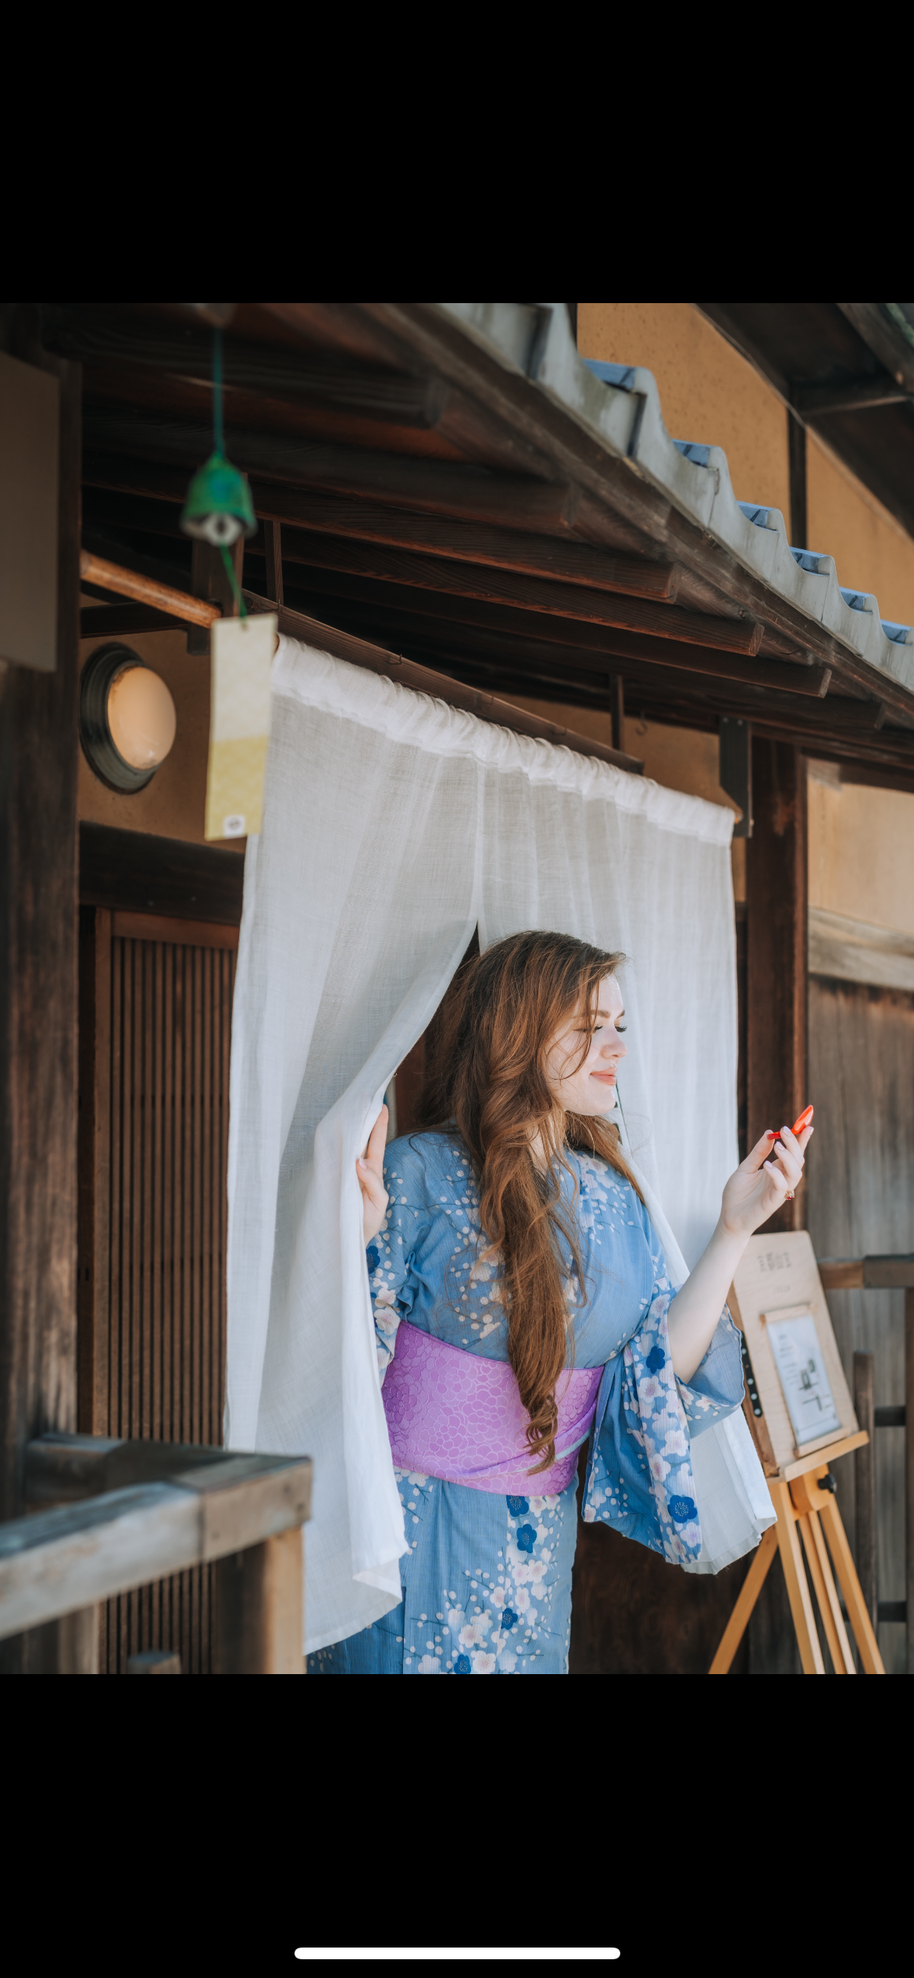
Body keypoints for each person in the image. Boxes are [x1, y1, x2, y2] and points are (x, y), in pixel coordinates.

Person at [309, 931, 811, 1675]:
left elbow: (649, 1375)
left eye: (619, 1028)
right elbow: (336, 1367)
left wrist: (735, 1228)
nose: (615, 1047)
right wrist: (356, 1242)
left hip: (536, 1546)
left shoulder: (615, 1195)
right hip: (409, 1538)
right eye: (588, 1027)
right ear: (517, 1031)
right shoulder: (420, 1172)